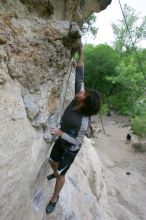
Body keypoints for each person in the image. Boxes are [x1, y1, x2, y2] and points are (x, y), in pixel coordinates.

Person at [46, 46, 101, 214]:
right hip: (62, 139)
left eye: (84, 96)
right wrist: (81, 52)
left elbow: (78, 141)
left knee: (62, 173)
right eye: (83, 92)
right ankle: (55, 173)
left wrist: (61, 133)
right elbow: (80, 73)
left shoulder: (84, 122)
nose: (81, 92)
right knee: (51, 161)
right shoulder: (79, 96)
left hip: (70, 148)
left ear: (85, 105)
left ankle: (55, 197)